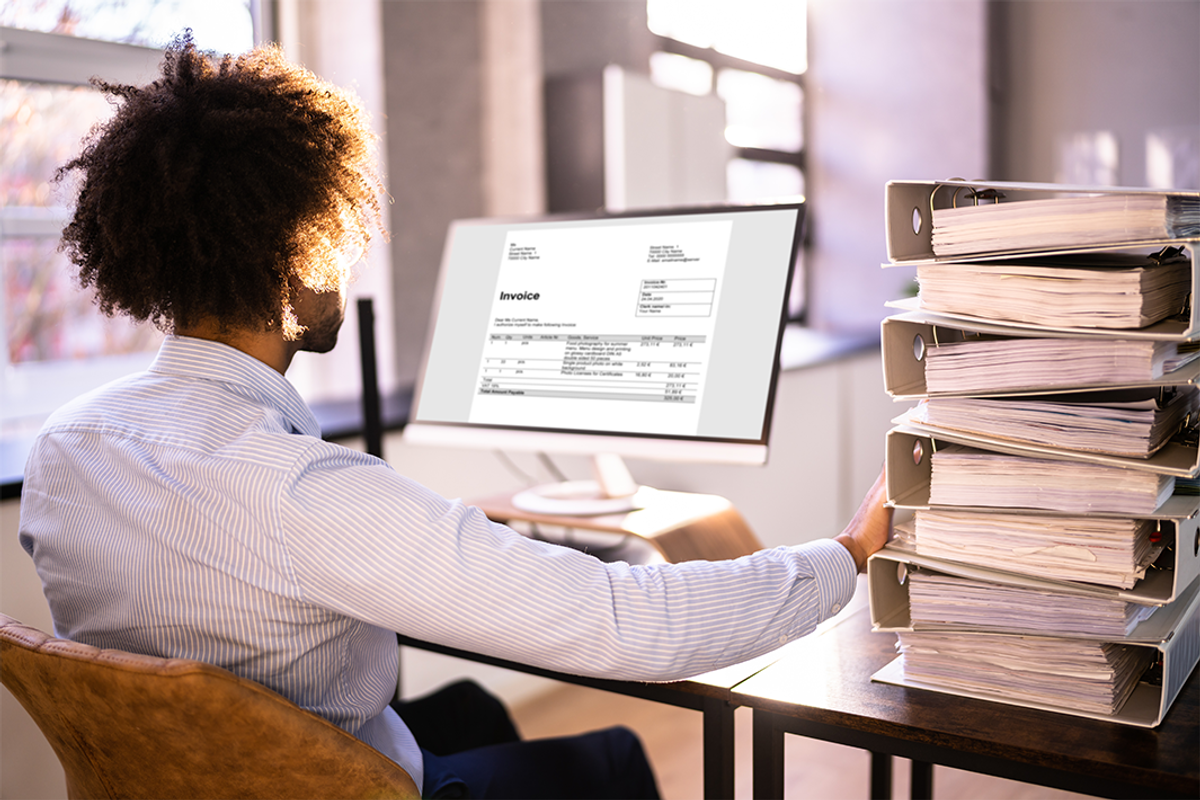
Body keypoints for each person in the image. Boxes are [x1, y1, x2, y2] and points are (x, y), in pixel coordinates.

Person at [18, 36, 893, 799]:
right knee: (614, 759)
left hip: (171, 783)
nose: (349, 266)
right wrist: (845, 555)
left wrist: (445, 545)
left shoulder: (64, 449)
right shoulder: (302, 495)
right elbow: (620, 620)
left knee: (472, 707)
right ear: (297, 253)